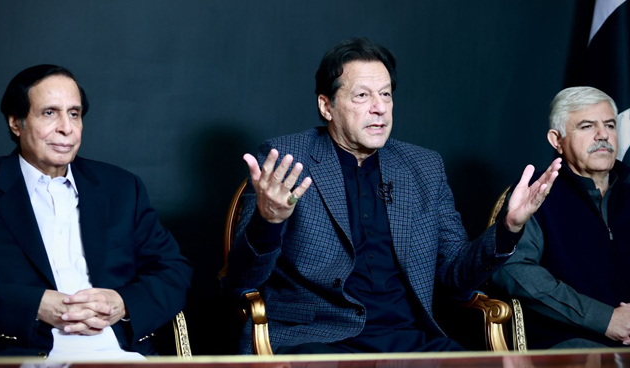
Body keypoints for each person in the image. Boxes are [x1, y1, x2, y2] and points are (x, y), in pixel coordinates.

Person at [224, 38, 561, 354]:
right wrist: (268, 221)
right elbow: (241, 281)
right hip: (316, 341)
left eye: (386, 95)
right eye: (362, 96)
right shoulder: (286, 158)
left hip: (409, 339)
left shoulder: (423, 167)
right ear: (326, 106)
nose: (379, 109)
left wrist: (509, 227)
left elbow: (456, 276)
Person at [0, 65, 192, 359]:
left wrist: (122, 302)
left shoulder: (122, 188)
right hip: (24, 352)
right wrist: (33, 305)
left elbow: (174, 269)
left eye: (74, 114)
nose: (66, 127)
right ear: (16, 123)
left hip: (122, 352)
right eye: (49, 113)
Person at [491, 86, 630, 349]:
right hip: (573, 342)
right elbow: (514, 270)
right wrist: (604, 319)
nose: (603, 134)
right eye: (586, 126)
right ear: (556, 140)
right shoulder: (537, 195)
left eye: (609, 124)